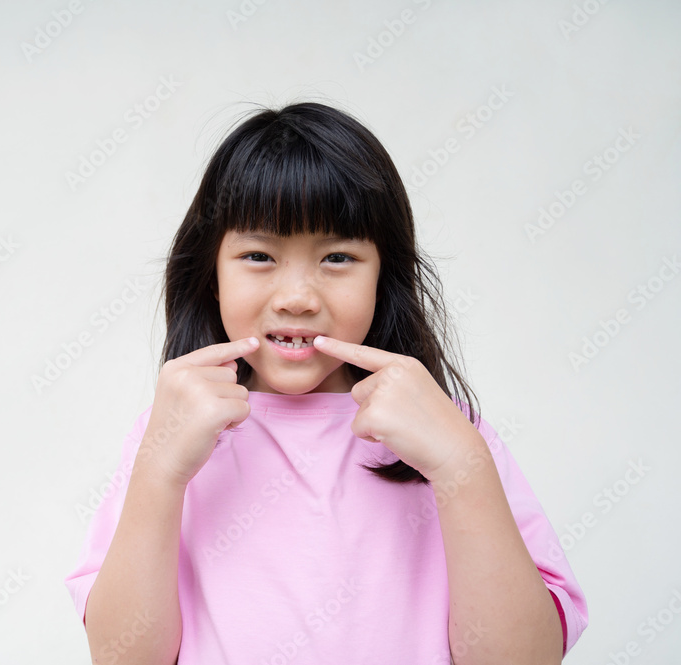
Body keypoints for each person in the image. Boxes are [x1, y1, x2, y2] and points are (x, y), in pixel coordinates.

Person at [64, 101, 588, 664]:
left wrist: (462, 464)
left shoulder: (447, 429)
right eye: (259, 255)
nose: (297, 297)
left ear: (384, 278)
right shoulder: (169, 434)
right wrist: (161, 471)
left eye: (337, 257)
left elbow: (523, 658)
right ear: (210, 277)